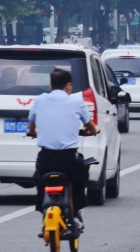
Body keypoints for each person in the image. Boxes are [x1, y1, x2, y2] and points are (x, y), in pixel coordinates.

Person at [27, 69, 100, 229]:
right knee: (80, 177)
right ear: (68, 86)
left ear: (50, 85)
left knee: (39, 178)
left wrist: (33, 132)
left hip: (46, 159)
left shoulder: (39, 101)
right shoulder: (77, 102)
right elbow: (90, 126)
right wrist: (95, 130)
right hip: (69, 160)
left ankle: (44, 210)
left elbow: (31, 126)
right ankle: (75, 213)